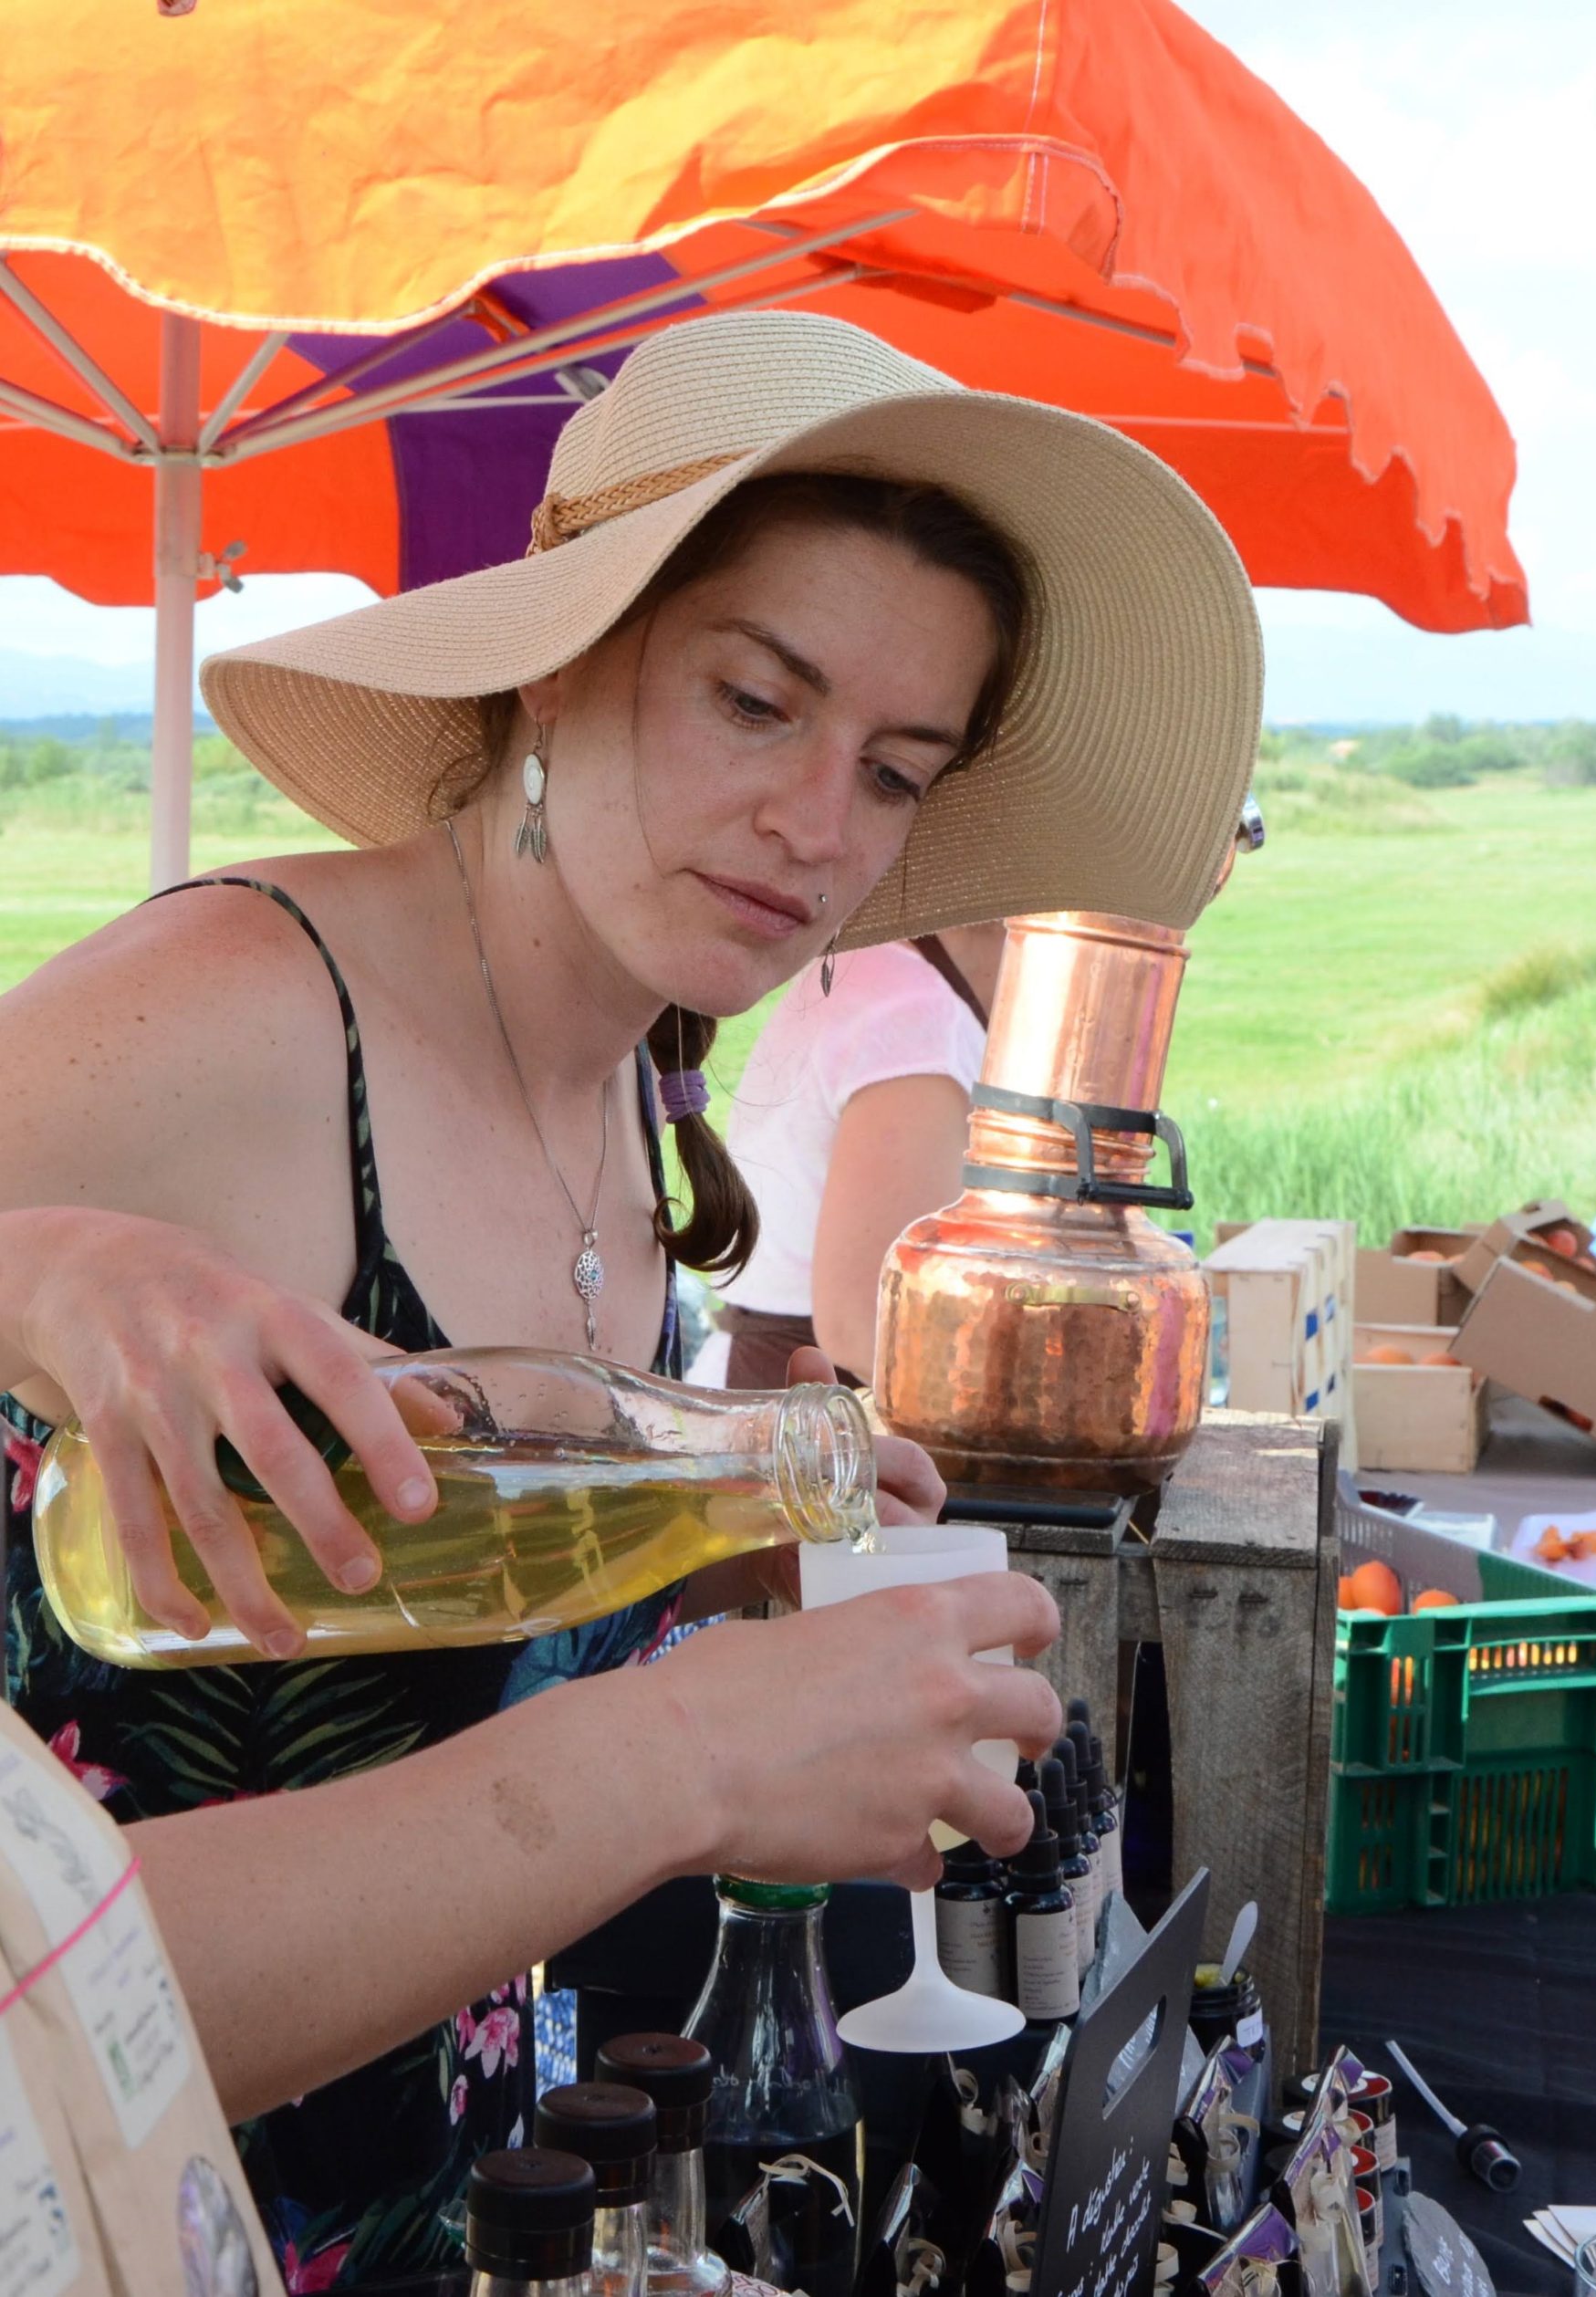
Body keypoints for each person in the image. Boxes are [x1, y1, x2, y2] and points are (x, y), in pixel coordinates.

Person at [0, 308, 1260, 2287]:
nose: (820, 825)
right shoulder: (249, 1012)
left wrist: (747, 1536)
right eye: (755, 701)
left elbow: (433, 1654)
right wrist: (37, 1259)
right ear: (556, 671)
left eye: (893, 771)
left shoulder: (626, 1097)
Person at [704, 924, 1003, 1389]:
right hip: (807, 1423)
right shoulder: (916, 1017)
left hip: (779, 1402)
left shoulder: (887, 975)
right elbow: (866, 1329)